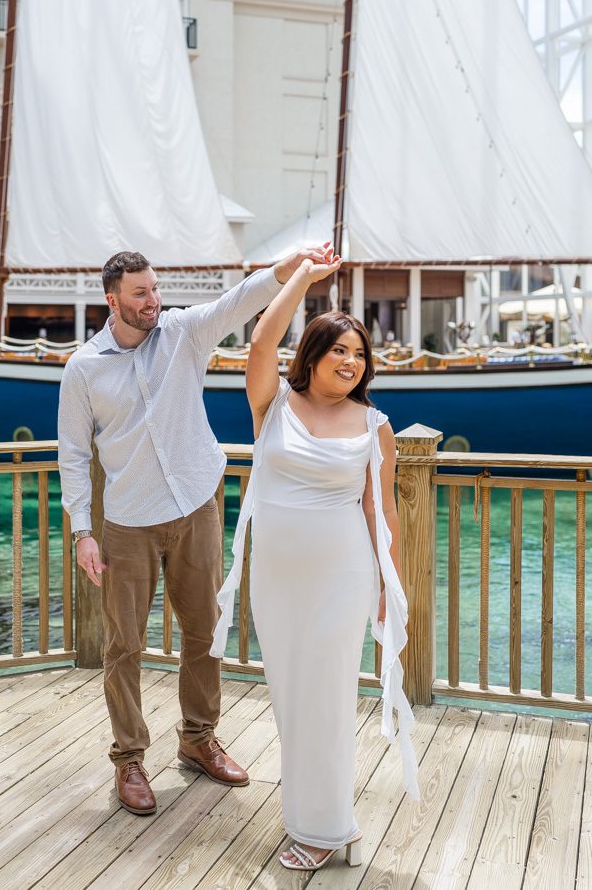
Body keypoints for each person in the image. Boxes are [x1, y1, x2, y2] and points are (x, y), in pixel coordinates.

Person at [58, 244, 331, 817]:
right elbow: (74, 453)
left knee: (204, 632)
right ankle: (129, 759)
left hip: (195, 506)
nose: (153, 301)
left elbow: (240, 302)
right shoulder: (84, 368)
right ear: (114, 301)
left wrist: (291, 267)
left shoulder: (182, 332)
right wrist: (83, 529)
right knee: (123, 646)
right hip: (127, 521)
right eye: (141, 293)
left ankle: (198, 738)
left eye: (155, 289)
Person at [211, 251, 419, 872]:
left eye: (360, 355)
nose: (352, 363)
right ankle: (313, 823)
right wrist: (302, 276)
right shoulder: (271, 405)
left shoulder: (373, 424)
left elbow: (380, 514)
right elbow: (260, 338)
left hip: (342, 575)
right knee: (289, 696)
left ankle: (328, 831)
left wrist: (388, 583)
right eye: (339, 352)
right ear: (312, 356)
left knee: (326, 697)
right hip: (276, 577)